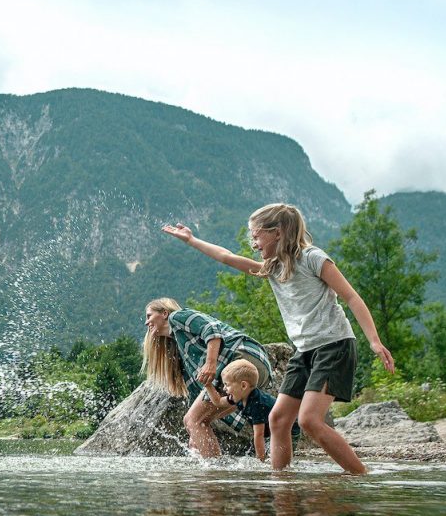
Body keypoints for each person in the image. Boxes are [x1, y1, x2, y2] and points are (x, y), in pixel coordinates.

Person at [162, 202, 395, 474]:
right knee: (279, 419)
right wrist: (191, 240)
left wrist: (374, 341)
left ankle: (361, 476)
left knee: (309, 420)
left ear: (278, 232)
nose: (253, 242)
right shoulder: (272, 268)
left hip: (334, 345)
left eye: (257, 235)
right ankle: (281, 482)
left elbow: (352, 297)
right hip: (305, 350)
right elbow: (227, 257)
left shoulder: (314, 258)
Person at [143, 297, 273, 457]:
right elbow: (195, 392)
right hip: (253, 370)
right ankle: (216, 471)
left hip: (243, 358)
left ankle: (214, 473)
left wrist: (210, 364)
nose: (146, 322)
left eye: (149, 316)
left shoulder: (177, 317)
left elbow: (212, 329)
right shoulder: (181, 348)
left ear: (164, 313)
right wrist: (194, 433)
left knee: (194, 420)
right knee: (197, 421)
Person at [203, 359, 300, 462]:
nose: (224, 389)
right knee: (272, 457)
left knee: (280, 461)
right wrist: (208, 385)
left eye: (227, 384)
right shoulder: (240, 397)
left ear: (243, 385)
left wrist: (260, 462)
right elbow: (218, 402)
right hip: (274, 430)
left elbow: (259, 435)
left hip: (289, 429)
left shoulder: (258, 404)